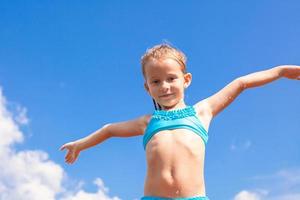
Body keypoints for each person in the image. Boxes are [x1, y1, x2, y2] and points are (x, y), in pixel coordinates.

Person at [60, 44, 300, 200]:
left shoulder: (202, 112)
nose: (164, 86)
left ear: (186, 80)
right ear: (147, 88)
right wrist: (80, 144)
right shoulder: (147, 122)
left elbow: (241, 83)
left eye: (171, 78)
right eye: (155, 82)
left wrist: (279, 71)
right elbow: (109, 129)